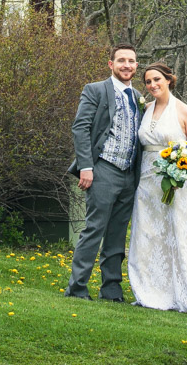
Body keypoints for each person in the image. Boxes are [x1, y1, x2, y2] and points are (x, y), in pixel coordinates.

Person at [127, 61, 187, 315]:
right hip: (147, 183)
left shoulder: (184, 111)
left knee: (178, 234)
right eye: (147, 82)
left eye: (157, 79)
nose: (152, 85)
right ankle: (151, 292)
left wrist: (182, 170)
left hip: (176, 183)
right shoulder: (145, 109)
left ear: (169, 80)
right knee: (149, 235)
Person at [66, 44, 143, 301]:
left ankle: (111, 290)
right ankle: (77, 288)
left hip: (129, 175)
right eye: (121, 60)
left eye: (131, 61)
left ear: (136, 65)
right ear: (111, 64)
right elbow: (81, 128)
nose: (126, 65)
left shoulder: (139, 97)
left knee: (117, 234)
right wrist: (86, 166)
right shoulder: (96, 90)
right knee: (94, 229)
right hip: (103, 169)